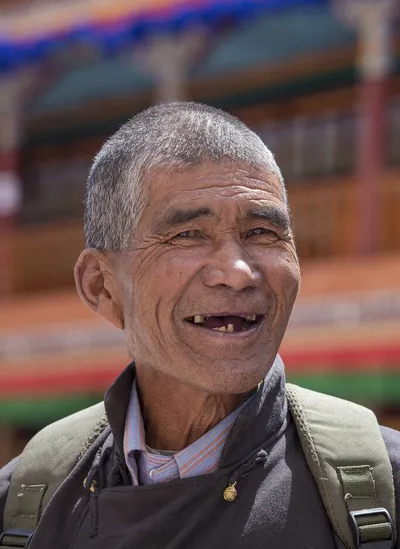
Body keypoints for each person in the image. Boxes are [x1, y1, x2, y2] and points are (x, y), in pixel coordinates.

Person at [0, 102, 399, 549]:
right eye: (188, 235)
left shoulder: (379, 487)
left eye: (264, 232)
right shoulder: (26, 500)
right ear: (102, 288)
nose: (238, 271)